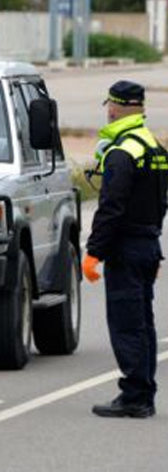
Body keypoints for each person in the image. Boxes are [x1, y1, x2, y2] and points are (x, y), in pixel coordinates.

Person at [83, 80, 168, 418]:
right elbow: (160, 202)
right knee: (143, 323)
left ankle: (135, 397)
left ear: (114, 108)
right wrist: (152, 242)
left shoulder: (121, 153)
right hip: (147, 244)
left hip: (126, 249)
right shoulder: (154, 146)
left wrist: (93, 252)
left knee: (127, 324)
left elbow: (111, 207)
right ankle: (143, 392)